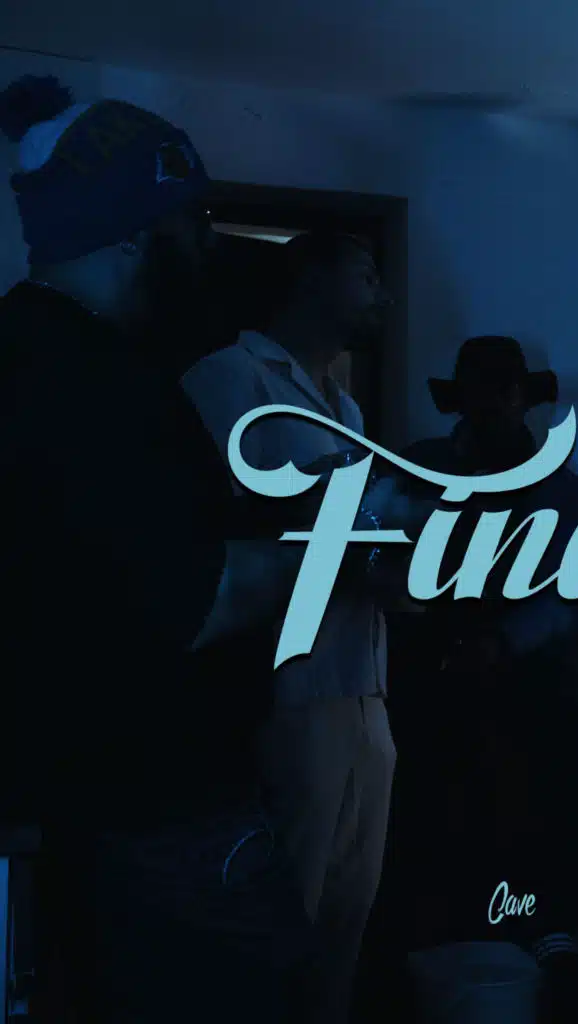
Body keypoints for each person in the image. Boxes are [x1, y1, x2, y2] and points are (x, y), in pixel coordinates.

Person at [0, 75, 313, 1022]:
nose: (209, 245)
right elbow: (200, 598)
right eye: (196, 221)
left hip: (75, 814)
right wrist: (346, 534)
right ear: (139, 230)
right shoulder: (92, 384)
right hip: (166, 827)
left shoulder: (33, 353)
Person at [183, 229, 423, 1024]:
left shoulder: (344, 405)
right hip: (288, 692)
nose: (383, 294)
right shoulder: (229, 377)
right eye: (366, 274)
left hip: (363, 685)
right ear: (311, 278)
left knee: (345, 926)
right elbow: (221, 524)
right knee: (276, 928)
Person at [381, 336, 578, 1022]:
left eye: (502, 393)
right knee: (437, 826)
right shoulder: (418, 470)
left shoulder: (561, 489)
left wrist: (503, 642)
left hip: (528, 691)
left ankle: (538, 944)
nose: (492, 409)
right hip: (428, 684)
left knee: (533, 821)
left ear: (521, 399)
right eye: (481, 394)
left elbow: (576, 595)